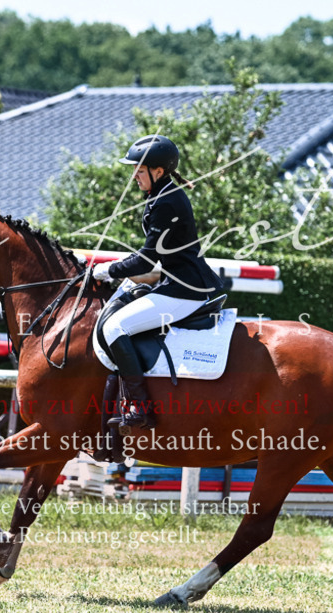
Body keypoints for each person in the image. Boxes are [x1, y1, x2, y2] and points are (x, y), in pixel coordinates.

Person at [92, 135, 224, 430]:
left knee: (115, 327)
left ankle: (139, 408)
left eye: (139, 170)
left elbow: (146, 260)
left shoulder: (166, 202)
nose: (134, 176)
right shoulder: (162, 196)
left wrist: (107, 271)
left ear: (158, 171)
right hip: (177, 282)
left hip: (185, 289)